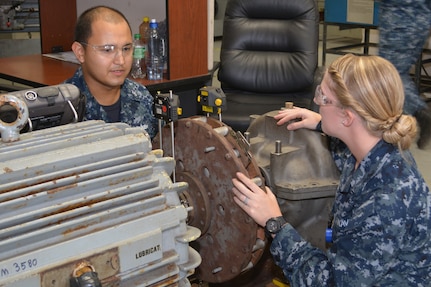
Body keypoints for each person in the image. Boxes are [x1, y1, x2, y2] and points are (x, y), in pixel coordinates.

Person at [231, 54, 431, 286]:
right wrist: (320, 122)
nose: (317, 102)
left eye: (323, 98)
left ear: (348, 116)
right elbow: (345, 147)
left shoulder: (386, 198)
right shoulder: (379, 144)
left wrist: (274, 222)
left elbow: (331, 282)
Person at [65, 6, 158, 139]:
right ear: (80, 52)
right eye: (108, 50)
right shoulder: (64, 109)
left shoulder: (141, 96)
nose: (120, 60)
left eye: (126, 49)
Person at [378, 0, 431, 149]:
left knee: (391, 73)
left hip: (399, 19)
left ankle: (419, 112)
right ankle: (397, 123)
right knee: (396, 72)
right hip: (419, 18)